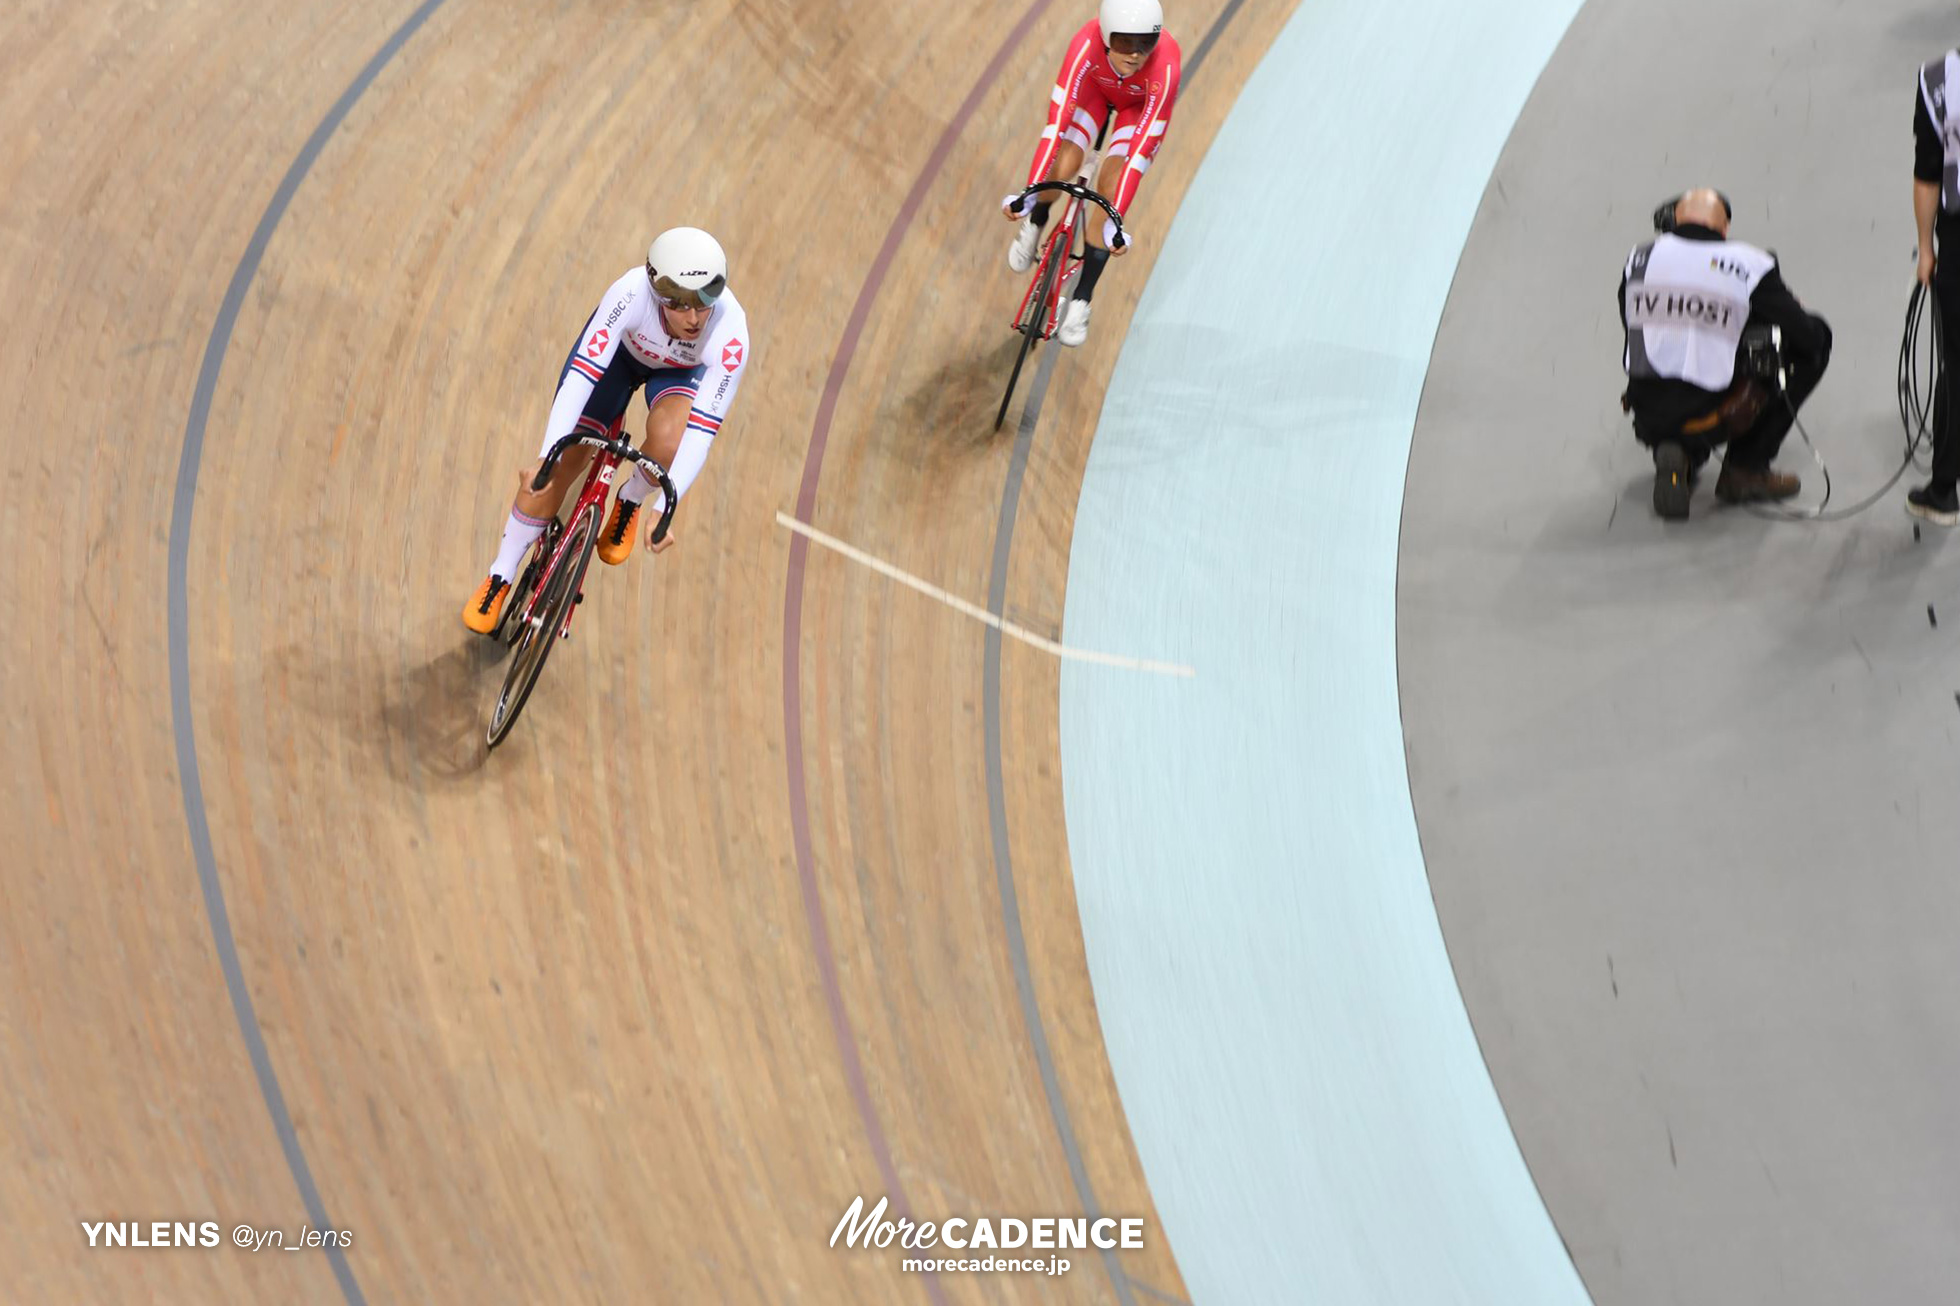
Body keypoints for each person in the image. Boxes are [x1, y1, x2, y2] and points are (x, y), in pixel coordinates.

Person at [462, 227, 750, 633]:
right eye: (680, 303)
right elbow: (583, 373)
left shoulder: (730, 331)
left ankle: (629, 500)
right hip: (617, 359)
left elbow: (702, 428)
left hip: (678, 376)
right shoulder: (630, 293)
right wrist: (548, 457)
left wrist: (664, 508)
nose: (694, 316)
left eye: (705, 299)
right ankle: (500, 576)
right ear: (656, 289)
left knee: (670, 442)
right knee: (563, 466)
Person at [1619, 189, 1832, 520]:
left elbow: (1634, 324)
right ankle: (1745, 468)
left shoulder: (1639, 258)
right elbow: (1807, 336)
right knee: (1814, 341)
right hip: (1716, 412)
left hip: (1646, 411)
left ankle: (1682, 450)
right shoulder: (1749, 265)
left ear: (1673, 220)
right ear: (1724, 227)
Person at [1000, 0, 1181, 347]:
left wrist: (1117, 222)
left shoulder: (1166, 67)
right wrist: (1029, 194)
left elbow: (1140, 154)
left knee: (1110, 188)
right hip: (1095, 93)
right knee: (1064, 163)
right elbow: (1055, 127)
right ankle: (1036, 221)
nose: (1136, 55)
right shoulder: (1084, 46)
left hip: (1137, 110)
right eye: (1126, 43)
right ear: (1105, 36)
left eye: (1146, 43)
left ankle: (1082, 298)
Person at [1911, 49, 1960, 526]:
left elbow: (1929, 172)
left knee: (1957, 363)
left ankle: (1944, 491)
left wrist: (1926, 250)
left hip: (1959, 237)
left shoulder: (1939, 80)